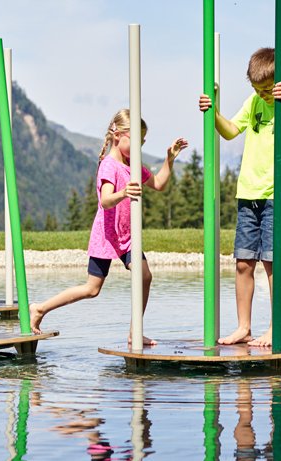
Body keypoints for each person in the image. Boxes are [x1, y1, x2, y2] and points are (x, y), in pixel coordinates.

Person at [28, 108, 188, 343]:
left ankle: (135, 332)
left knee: (144, 276)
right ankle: (40, 308)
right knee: (92, 289)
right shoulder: (109, 166)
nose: (139, 147)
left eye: (142, 142)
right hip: (106, 234)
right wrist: (124, 192)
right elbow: (105, 199)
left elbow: (159, 183)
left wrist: (169, 159)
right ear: (118, 135)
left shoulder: (131, 164)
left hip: (127, 237)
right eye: (136, 140)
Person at [198, 47, 281, 347]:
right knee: (243, 262)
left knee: (272, 263)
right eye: (257, 89)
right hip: (248, 193)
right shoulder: (253, 103)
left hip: (279, 194)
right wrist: (212, 112)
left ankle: (275, 328)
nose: (263, 95)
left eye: (267, 89)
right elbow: (229, 131)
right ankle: (243, 327)